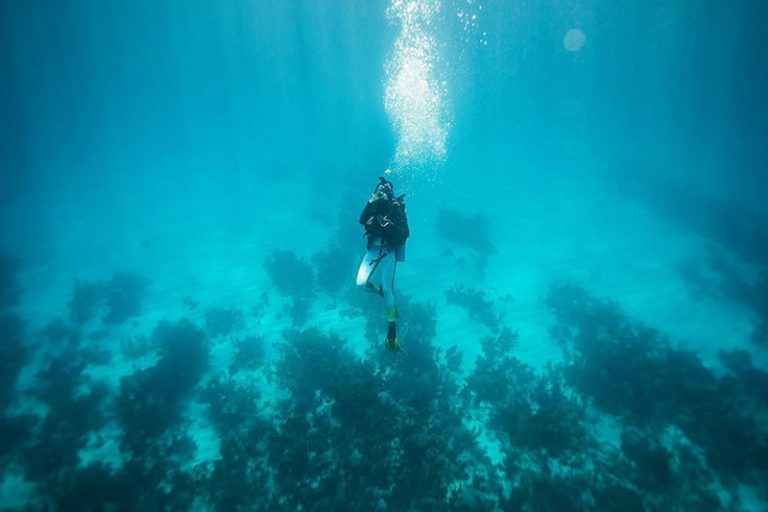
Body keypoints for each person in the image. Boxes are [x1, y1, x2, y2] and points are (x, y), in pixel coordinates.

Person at [356, 175, 410, 351]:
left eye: (386, 190)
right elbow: (362, 220)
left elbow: (405, 234)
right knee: (361, 284)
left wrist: (387, 224)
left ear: (391, 193)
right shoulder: (373, 205)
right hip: (373, 250)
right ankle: (385, 297)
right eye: (380, 190)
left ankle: (392, 334)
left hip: (389, 251)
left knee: (388, 289)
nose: (383, 193)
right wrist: (371, 202)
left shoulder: (396, 209)